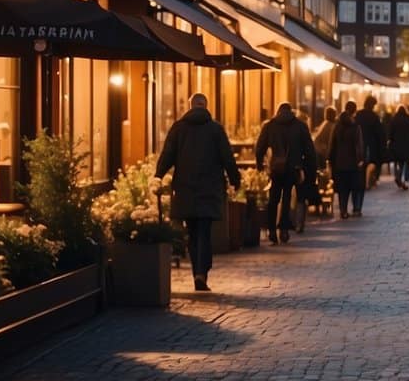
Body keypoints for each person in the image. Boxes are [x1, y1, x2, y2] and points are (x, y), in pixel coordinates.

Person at [156, 93, 240, 292]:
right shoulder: (215, 129)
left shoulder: (178, 128)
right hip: (209, 188)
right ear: (206, 106)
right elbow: (227, 157)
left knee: (192, 232)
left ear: (191, 106)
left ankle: (198, 272)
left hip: (185, 188)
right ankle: (202, 271)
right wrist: (235, 179)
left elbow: (167, 154)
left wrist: (158, 175)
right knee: (204, 230)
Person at [255, 102, 316, 245]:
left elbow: (260, 147)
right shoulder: (300, 126)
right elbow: (309, 151)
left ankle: (271, 231)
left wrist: (259, 164)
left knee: (273, 199)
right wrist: (310, 170)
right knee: (287, 198)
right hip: (293, 168)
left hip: (276, 168)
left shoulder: (270, 125)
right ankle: (283, 229)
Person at [328, 100, 365, 218]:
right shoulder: (355, 127)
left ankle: (343, 210)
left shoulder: (337, 126)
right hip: (353, 162)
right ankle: (356, 209)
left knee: (343, 188)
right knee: (355, 186)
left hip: (339, 162)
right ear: (354, 111)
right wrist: (360, 159)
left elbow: (332, 145)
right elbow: (359, 146)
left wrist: (330, 160)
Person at [387, 104, 409, 190]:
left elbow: (390, 133)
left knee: (399, 163)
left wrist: (390, 142)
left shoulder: (394, 120)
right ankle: (406, 181)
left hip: (397, 146)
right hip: (408, 146)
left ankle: (398, 176)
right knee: (407, 163)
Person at [355, 96, 385, 190]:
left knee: (361, 163)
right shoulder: (374, 116)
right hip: (371, 145)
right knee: (370, 163)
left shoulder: (358, 114)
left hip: (359, 143)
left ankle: (361, 181)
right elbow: (379, 132)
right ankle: (368, 182)